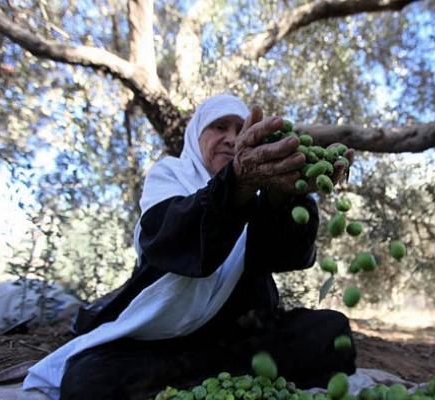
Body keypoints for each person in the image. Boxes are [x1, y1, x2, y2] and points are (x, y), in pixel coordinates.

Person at [23, 94, 357, 400]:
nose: (230, 137)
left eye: (241, 129)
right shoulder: (170, 177)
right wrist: (235, 183)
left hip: (238, 341)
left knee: (330, 332)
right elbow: (173, 243)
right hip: (166, 344)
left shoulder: (264, 193)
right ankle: (216, 382)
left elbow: (282, 256)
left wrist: (287, 196)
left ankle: (202, 384)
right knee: (89, 380)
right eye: (219, 127)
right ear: (196, 136)